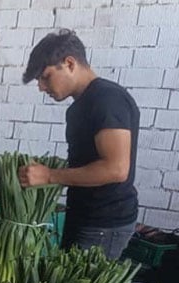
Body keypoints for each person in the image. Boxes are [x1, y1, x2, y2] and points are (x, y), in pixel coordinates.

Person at [17, 29, 139, 260]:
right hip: (84, 216)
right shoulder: (79, 107)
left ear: (70, 63)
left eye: (45, 76)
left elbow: (116, 169)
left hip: (104, 224)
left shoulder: (107, 99)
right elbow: (88, 160)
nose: (41, 87)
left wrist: (50, 176)